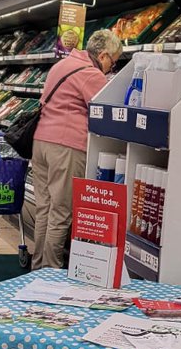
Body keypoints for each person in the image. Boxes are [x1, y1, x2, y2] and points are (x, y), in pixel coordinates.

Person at [31, 29, 123, 270]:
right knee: (61, 213)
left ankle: (37, 267)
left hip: (40, 142)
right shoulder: (91, 74)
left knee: (45, 208)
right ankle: (51, 271)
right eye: (113, 63)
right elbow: (106, 111)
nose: (111, 68)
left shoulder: (63, 64)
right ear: (103, 55)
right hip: (66, 146)